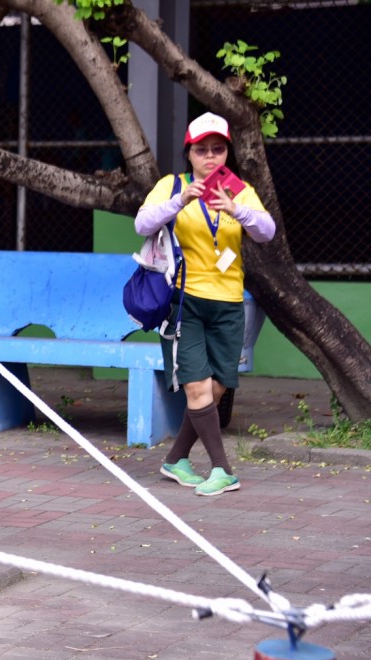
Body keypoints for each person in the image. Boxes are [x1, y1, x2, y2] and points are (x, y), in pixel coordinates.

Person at [135, 112, 276, 497]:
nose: (210, 157)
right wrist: (180, 201)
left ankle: (176, 460)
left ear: (227, 152)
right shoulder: (172, 185)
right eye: (202, 150)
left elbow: (267, 232)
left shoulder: (239, 190)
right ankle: (223, 469)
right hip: (185, 303)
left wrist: (236, 210)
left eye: (218, 149)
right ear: (189, 154)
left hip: (230, 304)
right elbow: (142, 224)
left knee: (213, 392)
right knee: (197, 390)